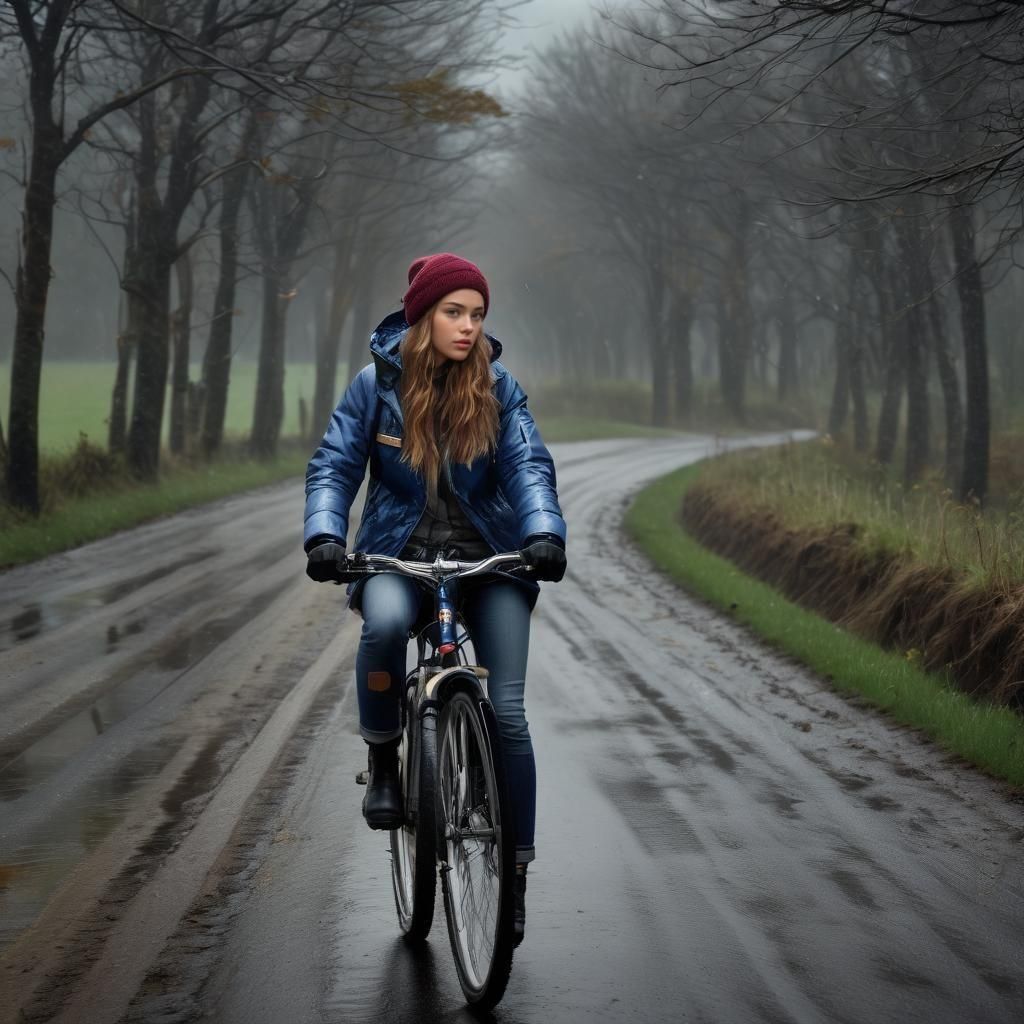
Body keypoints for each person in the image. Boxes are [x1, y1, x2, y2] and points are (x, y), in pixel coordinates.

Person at [303, 252, 567, 944]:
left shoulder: (499, 386)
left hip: (489, 561)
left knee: (506, 710)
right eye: (455, 311)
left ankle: (513, 874)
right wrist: (326, 534)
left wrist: (542, 531)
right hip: (399, 557)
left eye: (477, 315)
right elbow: (334, 464)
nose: (468, 326)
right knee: (384, 624)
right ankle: (386, 761)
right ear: (422, 316)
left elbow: (527, 463)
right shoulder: (374, 386)